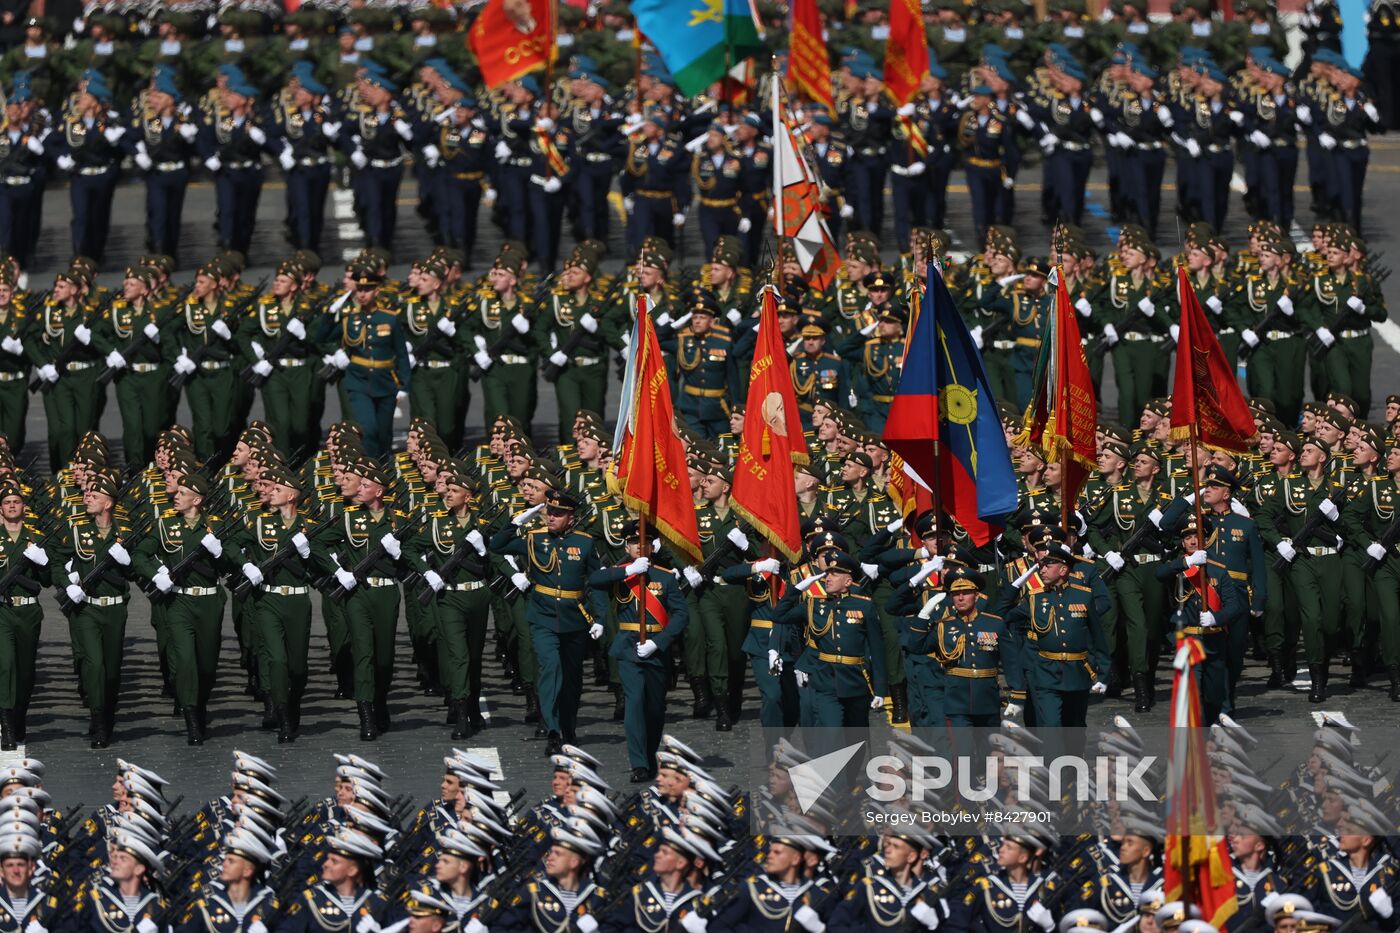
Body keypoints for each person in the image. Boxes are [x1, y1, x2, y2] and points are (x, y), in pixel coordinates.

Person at [489, 488, 607, 756]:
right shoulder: (534, 538)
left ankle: (569, 728)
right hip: (542, 616)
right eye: (549, 512)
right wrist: (516, 522)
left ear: (571, 518)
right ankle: (552, 729)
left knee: (572, 678)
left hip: (575, 618)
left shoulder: (585, 543)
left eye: (558, 514)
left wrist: (600, 618)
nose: (551, 517)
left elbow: (597, 582)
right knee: (550, 668)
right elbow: (496, 545)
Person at [587, 519, 689, 782]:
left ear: (652, 547)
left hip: (656, 647)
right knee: (634, 704)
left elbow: (681, 615)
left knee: (655, 708)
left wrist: (659, 642)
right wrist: (629, 571)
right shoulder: (620, 572)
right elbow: (594, 580)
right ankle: (639, 764)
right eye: (633, 543)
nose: (638, 546)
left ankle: (650, 755)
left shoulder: (665, 577)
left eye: (643, 542)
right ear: (626, 547)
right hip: (628, 647)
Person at [134, 471, 231, 746]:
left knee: (207, 665)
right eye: (177, 492)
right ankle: (192, 720)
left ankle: (200, 706)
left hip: (209, 601)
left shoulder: (215, 526)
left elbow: (230, 566)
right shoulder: (165, 525)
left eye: (182, 494)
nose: (176, 496)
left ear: (197, 500)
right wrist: (156, 575)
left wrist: (219, 552)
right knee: (185, 661)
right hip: (179, 602)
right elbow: (140, 555)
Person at [318, 265, 410, 461]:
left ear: (376, 291)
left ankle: (384, 469)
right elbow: (321, 338)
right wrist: (329, 313)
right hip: (358, 382)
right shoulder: (349, 319)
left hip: (385, 382)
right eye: (359, 289)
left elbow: (401, 354)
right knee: (368, 429)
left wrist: (404, 386)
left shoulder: (390, 319)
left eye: (367, 289)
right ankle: (370, 468)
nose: (362, 294)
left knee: (384, 434)